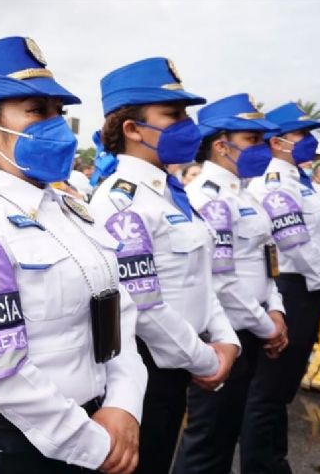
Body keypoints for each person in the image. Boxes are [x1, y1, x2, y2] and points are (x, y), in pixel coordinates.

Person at [0, 36, 147, 474]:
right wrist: (91, 445)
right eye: (37, 111)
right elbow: (1, 372)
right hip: (13, 449)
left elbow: (119, 312)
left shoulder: (71, 210)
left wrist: (124, 405)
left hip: (99, 424)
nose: (57, 126)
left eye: (58, 112)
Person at [86, 57, 240, 474]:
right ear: (133, 130)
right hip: (145, 372)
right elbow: (146, 307)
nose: (187, 125)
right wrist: (206, 360)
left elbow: (202, 279)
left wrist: (226, 339)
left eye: (186, 114)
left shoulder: (173, 194)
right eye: (173, 114)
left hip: (181, 363)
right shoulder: (121, 201)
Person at [173, 94, 289, 474]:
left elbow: (264, 259)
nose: (262, 147)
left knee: (228, 432)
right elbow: (221, 281)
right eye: (252, 139)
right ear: (222, 145)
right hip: (226, 334)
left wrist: (275, 308)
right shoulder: (209, 198)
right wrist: (266, 324)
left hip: (254, 327)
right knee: (209, 443)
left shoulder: (246, 196)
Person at [242, 102, 320, 473]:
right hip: (294, 289)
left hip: (312, 286)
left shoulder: (302, 183)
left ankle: (276, 461)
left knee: (282, 389)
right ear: (277, 143)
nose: (309, 141)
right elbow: (297, 245)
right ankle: (262, 465)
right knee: (268, 391)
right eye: (301, 134)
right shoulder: (275, 185)